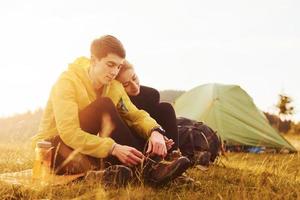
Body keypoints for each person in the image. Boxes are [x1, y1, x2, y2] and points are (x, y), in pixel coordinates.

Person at [31, 35, 190, 187]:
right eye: (110, 64)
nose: (114, 72)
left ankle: (152, 166)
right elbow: (69, 132)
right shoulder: (67, 82)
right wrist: (113, 148)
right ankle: (148, 170)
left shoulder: (113, 86)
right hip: (52, 150)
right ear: (94, 60)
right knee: (104, 106)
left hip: (89, 147)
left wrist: (155, 131)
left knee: (126, 119)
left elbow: (135, 115)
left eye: (119, 66)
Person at [115, 60, 179, 154]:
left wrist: (159, 135)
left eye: (134, 78)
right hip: (129, 140)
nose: (135, 86)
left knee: (166, 107)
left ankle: (173, 153)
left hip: (150, 131)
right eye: (126, 85)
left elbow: (149, 120)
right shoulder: (117, 99)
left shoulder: (151, 94)